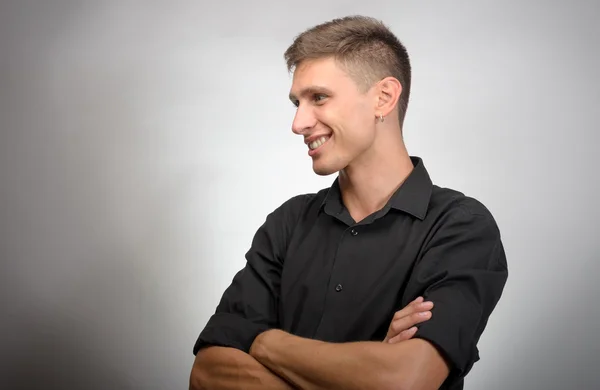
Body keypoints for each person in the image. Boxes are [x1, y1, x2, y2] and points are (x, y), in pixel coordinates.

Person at [189, 15, 508, 390]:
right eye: (296, 102)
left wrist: (263, 342)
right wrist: (368, 364)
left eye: (319, 97)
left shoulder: (460, 227)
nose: (298, 123)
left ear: (384, 97)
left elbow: (405, 379)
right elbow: (207, 372)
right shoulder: (288, 223)